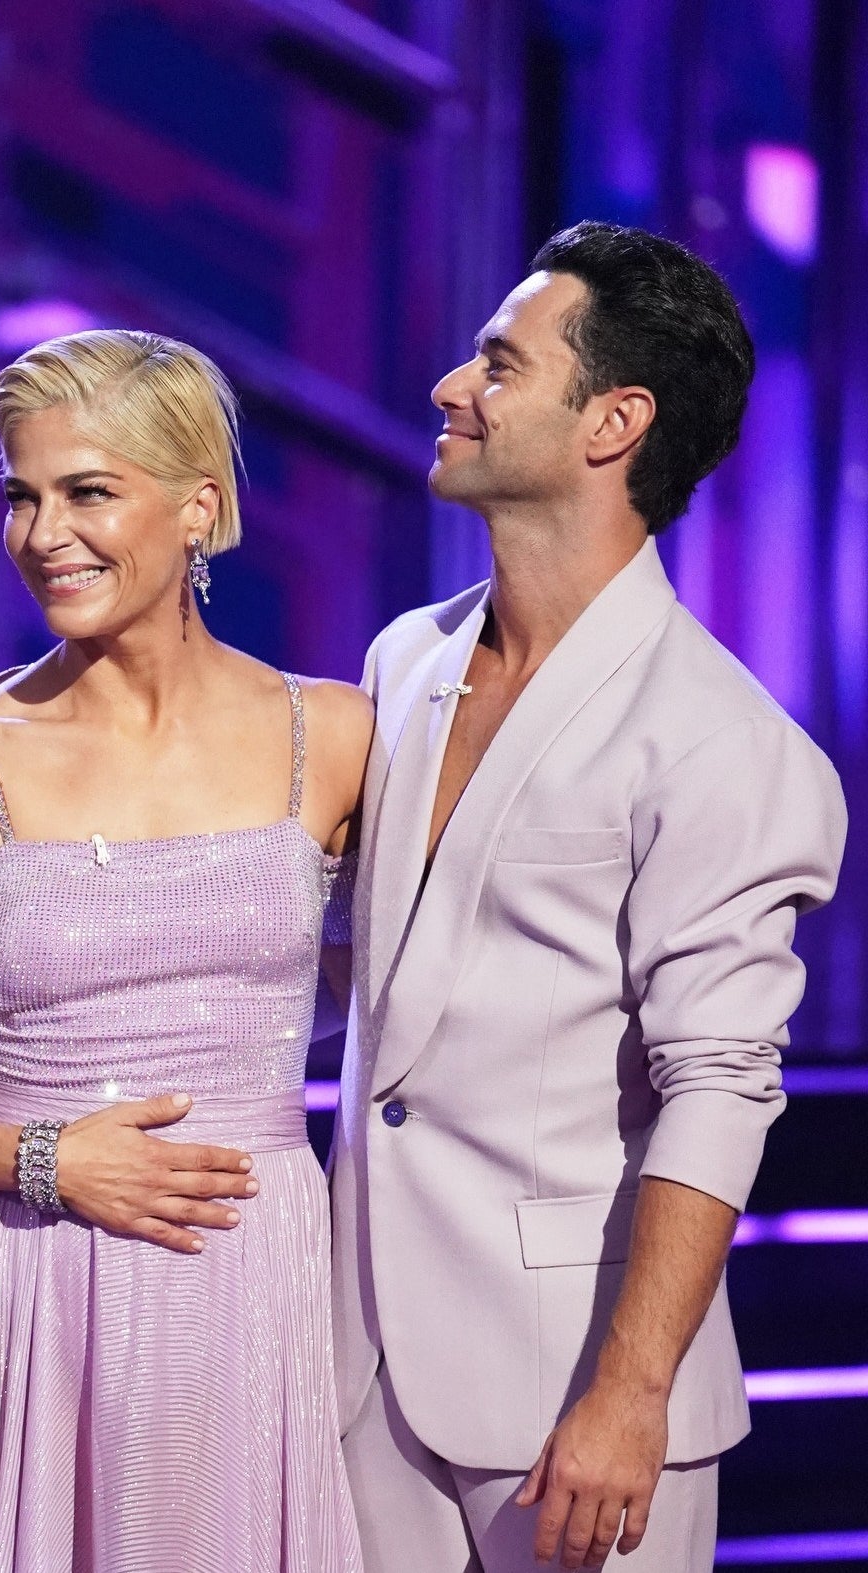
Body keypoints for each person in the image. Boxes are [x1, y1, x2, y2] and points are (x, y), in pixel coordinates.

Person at [0, 329, 373, 1570]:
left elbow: (355, 987)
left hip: (245, 1272)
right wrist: (48, 1160)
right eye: (19, 493)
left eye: (87, 491)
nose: (42, 532)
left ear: (198, 509)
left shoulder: (329, 736)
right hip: (19, 1276)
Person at [329, 221, 847, 1573]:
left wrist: (630, 1395)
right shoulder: (405, 660)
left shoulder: (721, 740)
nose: (452, 386)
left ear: (614, 420)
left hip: (573, 1394)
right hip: (353, 1364)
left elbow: (721, 1084)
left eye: (500, 362)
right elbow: (398, 972)